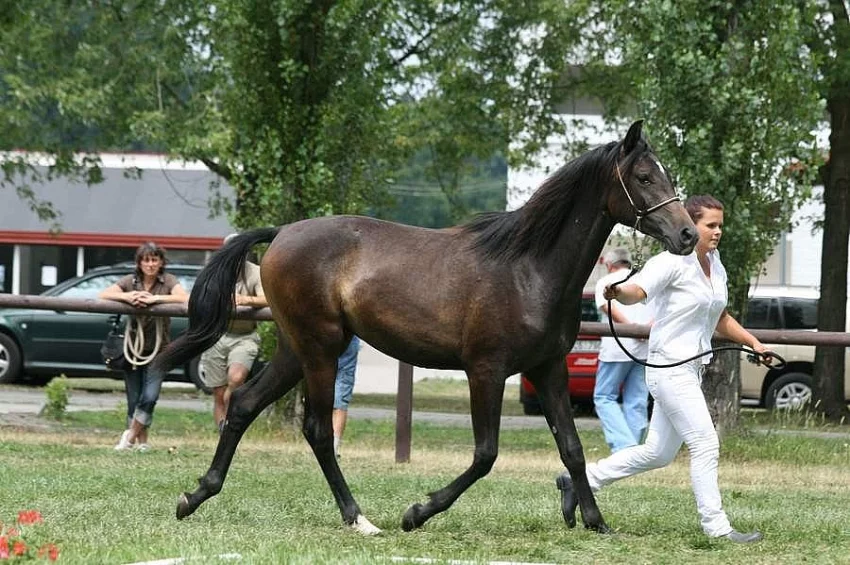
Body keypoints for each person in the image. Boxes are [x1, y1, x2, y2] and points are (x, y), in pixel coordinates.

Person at [556, 195, 771, 543]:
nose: (717, 232)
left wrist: (754, 343)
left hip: (691, 369)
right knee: (705, 444)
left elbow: (720, 317)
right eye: (710, 225)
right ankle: (717, 529)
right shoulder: (672, 261)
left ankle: (581, 480)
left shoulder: (715, 265)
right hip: (669, 368)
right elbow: (636, 292)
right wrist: (616, 291)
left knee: (658, 453)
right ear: (691, 223)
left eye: (720, 225)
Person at [99, 242, 189, 451]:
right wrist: (128, 296)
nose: (150, 264)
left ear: (161, 262)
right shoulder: (130, 281)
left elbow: (184, 298)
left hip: (159, 350)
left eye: (154, 260)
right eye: (146, 260)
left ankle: (129, 438)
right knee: (134, 398)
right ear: (139, 263)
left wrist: (155, 299)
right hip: (133, 350)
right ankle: (142, 443)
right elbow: (104, 294)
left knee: (150, 396)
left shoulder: (168, 281)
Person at [200, 234, 267, 433]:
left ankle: (231, 414)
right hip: (217, 334)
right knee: (218, 393)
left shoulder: (255, 272)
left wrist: (246, 301)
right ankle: (224, 434)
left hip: (245, 335)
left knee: (236, 379)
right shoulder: (215, 271)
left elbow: (266, 300)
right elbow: (202, 296)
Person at [593, 247, 652, 453]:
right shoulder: (644, 279)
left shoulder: (606, 282)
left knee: (604, 396)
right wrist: (645, 330)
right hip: (644, 349)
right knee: (636, 398)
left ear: (609, 265)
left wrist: (631, 329)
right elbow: (662, 309)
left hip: (616, 348)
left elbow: (607, 308)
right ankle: (634, 448)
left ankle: (623, 445)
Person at [333, 335, 361, 458]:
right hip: (348, 342)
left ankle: (330, 445)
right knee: (340, 402)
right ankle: (334, 446)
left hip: (326, 341)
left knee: (325, 399)